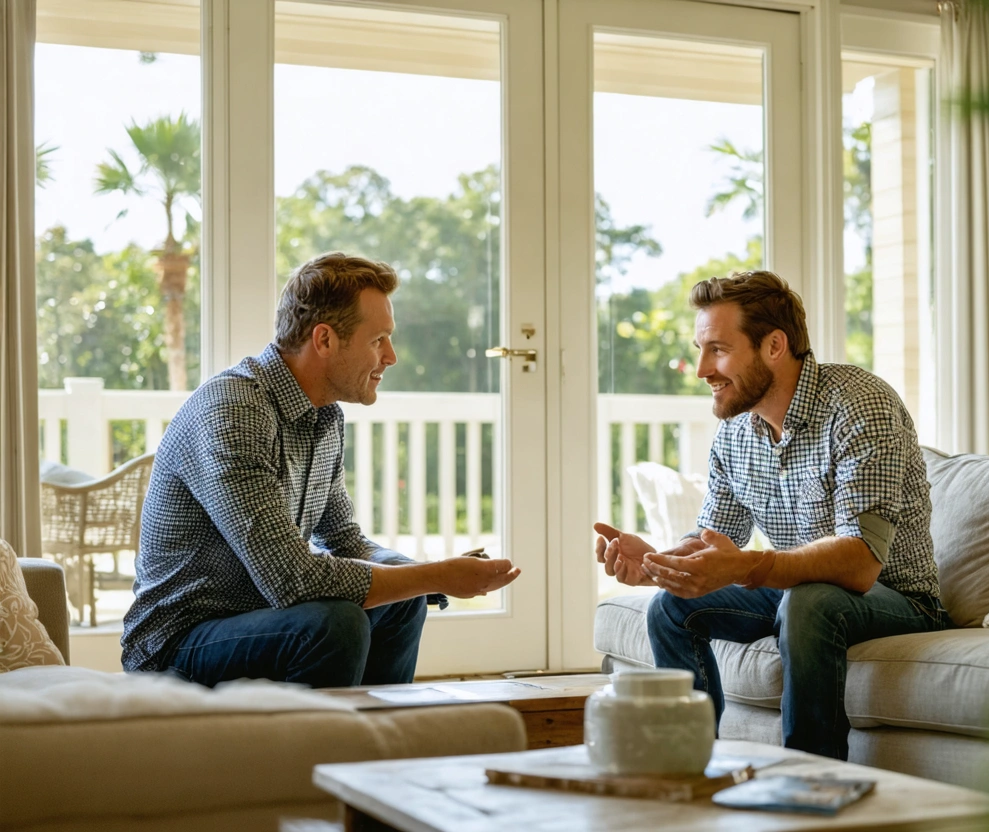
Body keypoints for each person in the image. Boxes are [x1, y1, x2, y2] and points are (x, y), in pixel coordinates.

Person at [122, 252, 520, 686]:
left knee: (405, 599)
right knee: (336, 623)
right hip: (176, 644)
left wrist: (424, 571)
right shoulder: (234, 411)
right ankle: (325, 748)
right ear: (325, 339)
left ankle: (379, 745)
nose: (391, 356)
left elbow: (343, 540)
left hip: (263, 617)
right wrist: (435, 575)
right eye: (378, 340)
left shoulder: (324, 416)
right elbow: (291, 580)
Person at [594, 270, 945, 761]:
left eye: (717, 349)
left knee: (809, 601)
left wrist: (747, 566)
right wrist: (660, 562)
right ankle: (690, 764)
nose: (701, 369)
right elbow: (714, 540)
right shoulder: (737, 434)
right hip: (792, 594)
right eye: (701, 349)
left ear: (774, 345)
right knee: (670, 608)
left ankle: (809, 779)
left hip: (899, 601)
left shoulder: (860, 405)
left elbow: (861, 562)